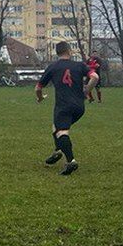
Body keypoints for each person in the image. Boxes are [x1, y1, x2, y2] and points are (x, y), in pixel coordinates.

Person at [36, 41, 98, 176]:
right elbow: (95, 77)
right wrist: (86, 91)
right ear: (69, 51)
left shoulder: (53, 67)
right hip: (79, 107)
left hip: (63, 106)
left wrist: (40, 98)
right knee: (56, 127)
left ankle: (71, 161)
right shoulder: (80, 65)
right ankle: (58, 151)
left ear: (57, 53)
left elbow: (38, 88)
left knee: (62, 132)